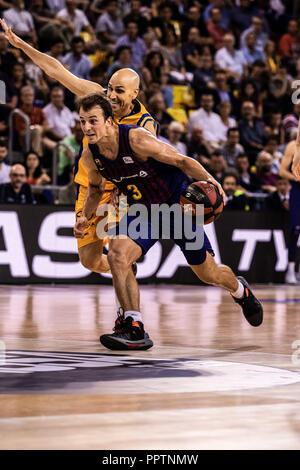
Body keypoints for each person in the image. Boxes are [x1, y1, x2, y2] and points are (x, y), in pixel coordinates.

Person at [74, 93, 263, 350]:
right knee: (118, 254)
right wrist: (85, 216)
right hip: (144, 211)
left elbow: (181, 160)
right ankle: (134, 326)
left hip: (178, 208)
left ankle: (240, 291)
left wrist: (213, 182)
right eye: (82, 121)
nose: (86, 127)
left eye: (92, 121)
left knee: (209, 273)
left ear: (109, 121)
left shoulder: (136, 139)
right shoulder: (91, 155)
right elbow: (96, 189)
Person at [0, 20, 157, 280]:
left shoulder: (144, 125)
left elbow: (146, 165)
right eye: (110, 89)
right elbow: (58, 72)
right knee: (90, 261)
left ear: (135, 93)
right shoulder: (99, 96)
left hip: (123, 189)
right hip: (90, 186)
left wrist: (124, 187)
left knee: (118, 251)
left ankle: (129, 313)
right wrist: (21, 45)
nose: (112, 96)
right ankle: (124, 267)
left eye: (119, 91)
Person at [280, 126, 300, 284]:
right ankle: (290, 270)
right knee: (295, 230)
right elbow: (282, 171)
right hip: (297, 190)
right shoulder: (293, 146)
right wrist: (297, 177)